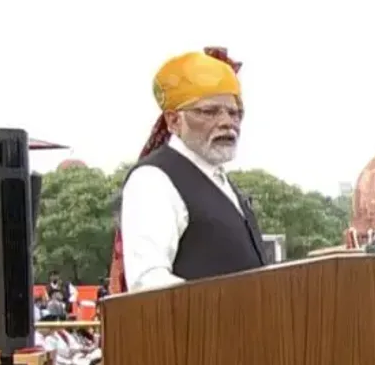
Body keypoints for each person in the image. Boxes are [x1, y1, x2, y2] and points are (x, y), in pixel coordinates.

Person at [110, 47, 267, 294]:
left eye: (235, 113)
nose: (228, 122)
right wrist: (226, 310)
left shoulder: (221, 181)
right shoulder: (153, 180)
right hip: (199, 331)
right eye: (210, 111)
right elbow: (148, 282)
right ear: (173, 121)